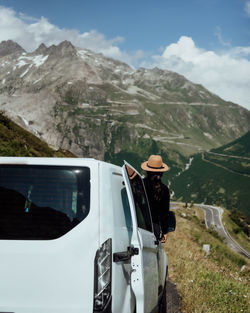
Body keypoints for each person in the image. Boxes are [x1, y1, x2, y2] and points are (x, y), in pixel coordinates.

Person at [141, 155, 171, 243]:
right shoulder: (164, 190)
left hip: (138, 224)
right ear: (161, 173)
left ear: (147, 171)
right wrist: (164, 232)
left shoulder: (139, 184)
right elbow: (164, 214)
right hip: (154, 229)